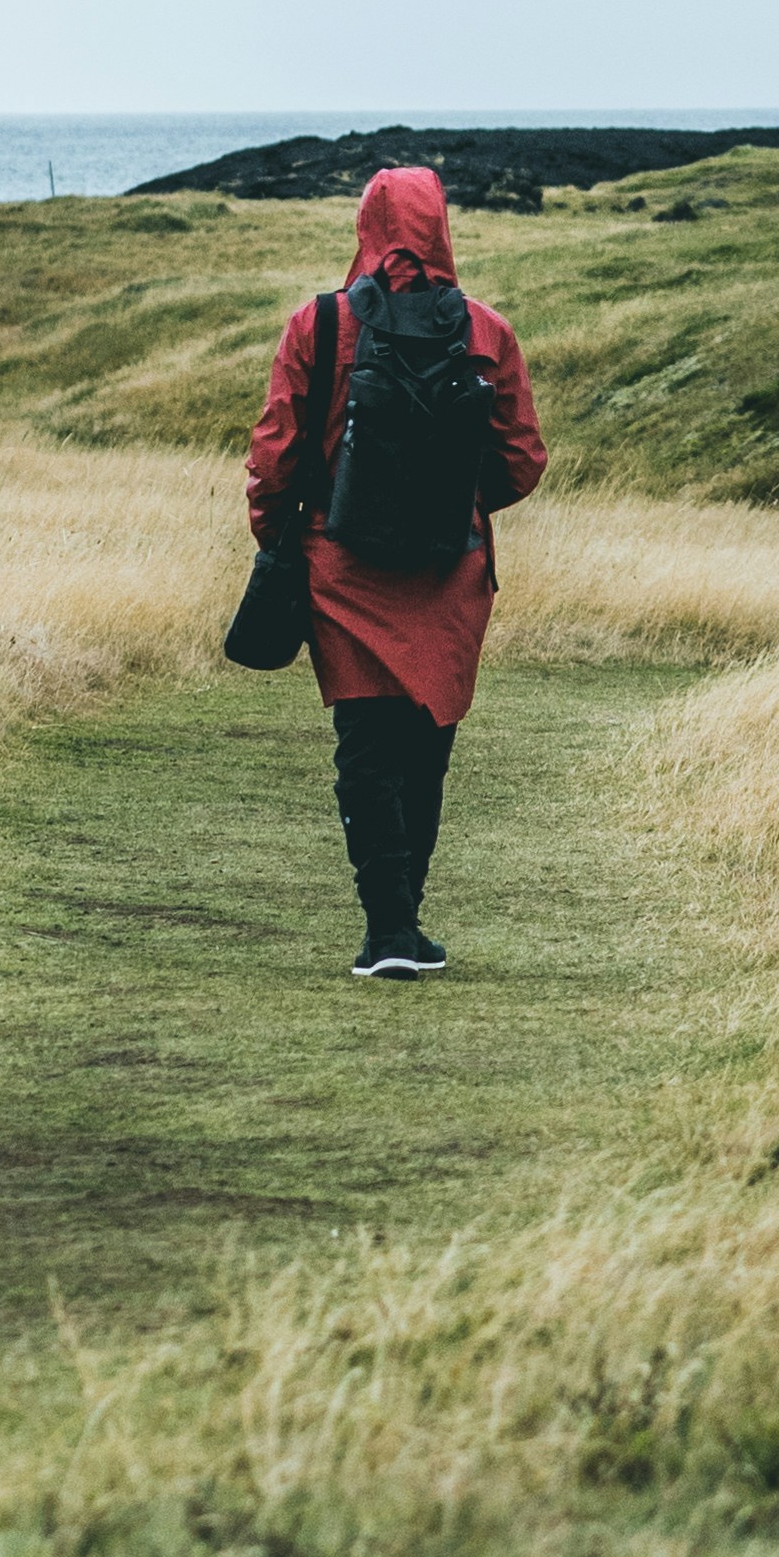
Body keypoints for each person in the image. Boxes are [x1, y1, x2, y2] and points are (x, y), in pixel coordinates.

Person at [242, 163, 547, 979]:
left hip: (341, 564)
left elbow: (273, 455)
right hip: (451, 572)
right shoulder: (486, 330)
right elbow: (523, 459)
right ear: (441, 225)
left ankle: (389, 930)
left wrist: (281, 538)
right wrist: (457, 506)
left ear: (366, 225)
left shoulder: (319, 323)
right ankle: (402, 922)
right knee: (425, 746)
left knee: (366, 744)